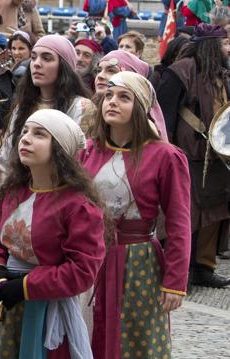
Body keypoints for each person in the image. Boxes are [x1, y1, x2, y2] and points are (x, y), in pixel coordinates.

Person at [82, 72, 190, 359]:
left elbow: (179, 222)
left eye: (123, 97)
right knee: (88, 335)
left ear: (141, 108)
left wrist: (175, 282)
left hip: (139, 262)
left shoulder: (165, 156)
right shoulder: (89, 151)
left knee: (137, 341)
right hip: (91, 259)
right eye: (108, 96)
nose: (112, 102)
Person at [0, 109, 106, 358]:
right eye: (25, 131)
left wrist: (26, 286)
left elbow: (82, 270)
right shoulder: (13, 192)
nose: (26, 138)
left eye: (39, 134)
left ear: (60, 149)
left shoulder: (78, 206)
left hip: (46, 308)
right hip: (9, 302)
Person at [157, 23, 230, 288]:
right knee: (184, 215)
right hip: (186, 158)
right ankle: (178, 268)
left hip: (217, 159)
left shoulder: (221, 74)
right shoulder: (180, 72)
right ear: (211, 46)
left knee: (215, 212)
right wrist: (167, 152)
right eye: (224, 44)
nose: (228, 48)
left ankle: (203, 267)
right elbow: (163, 116)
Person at [0, 35, 96, 178]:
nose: (37, 64)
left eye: (47, 58)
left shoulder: (82, 108)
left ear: (64, 66)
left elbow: (81, 162)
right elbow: (6, 161)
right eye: (33, 57)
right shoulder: (22, 107)